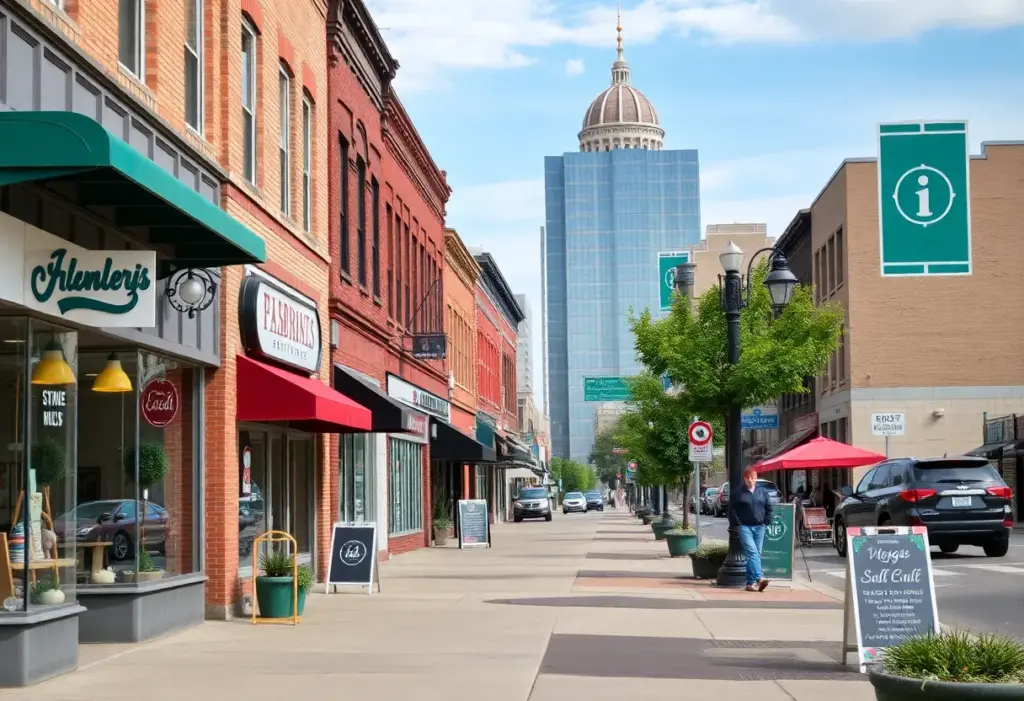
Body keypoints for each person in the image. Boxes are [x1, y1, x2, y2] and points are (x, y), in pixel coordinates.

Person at [732, 467, 773, 592]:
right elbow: (732, 510)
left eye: (753, 477)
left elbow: (769, 508)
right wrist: (738, 523)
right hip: (745, 527)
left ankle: (750, 583)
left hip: (760, 527)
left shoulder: (762, 492)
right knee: (752, 553)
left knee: (755, 554)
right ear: (744, 478)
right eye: (749, 478)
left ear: (756, 478)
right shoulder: (738, 492)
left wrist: (766, 522)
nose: (751, 480)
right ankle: (759, 578)